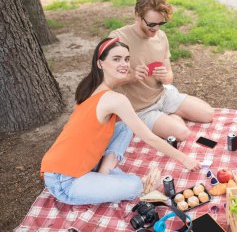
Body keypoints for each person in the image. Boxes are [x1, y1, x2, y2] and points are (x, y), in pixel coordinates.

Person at [40, 38, 201, 205]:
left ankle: (104, 173)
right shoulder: (115, 99)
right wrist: (184, 159)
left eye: (126, 59)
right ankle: (103, 177)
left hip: (67, 164)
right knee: (135, 185)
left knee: (124, 127)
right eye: (116, 59)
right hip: (66, 181)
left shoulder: (89, 88)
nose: (124, 64)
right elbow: (149, 137)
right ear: (100, 63)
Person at [109, 0, 214, 141]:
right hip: (140, 109)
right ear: (137, 15)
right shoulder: (117, 39)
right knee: (182, 134)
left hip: (162, 95)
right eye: (151, 24)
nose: (156, 29)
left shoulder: (161, 36)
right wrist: (132, 77)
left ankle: (169, 115)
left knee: (208, 114)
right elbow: (106, 81)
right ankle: (168, 118)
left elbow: (169, 77)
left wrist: (164, 77)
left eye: (161, 23)